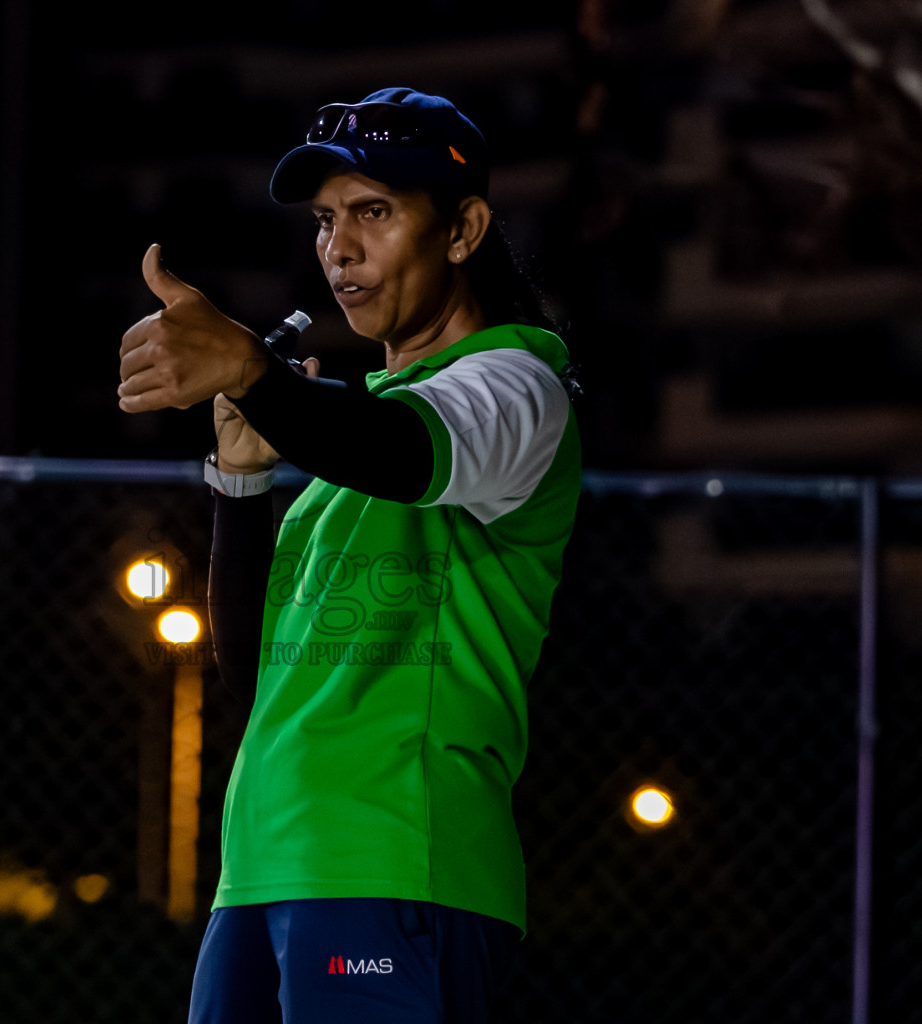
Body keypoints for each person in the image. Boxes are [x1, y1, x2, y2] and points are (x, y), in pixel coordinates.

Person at [117, 87, 581, 1024]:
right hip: (260, 872)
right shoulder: (342, 459)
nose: (339, 248)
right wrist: (242, 490)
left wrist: (254, 373)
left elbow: (408, 452)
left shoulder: (520, 384)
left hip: (401, 863)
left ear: (463, 231)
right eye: (327, 220)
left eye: (374, 212)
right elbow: (255, 681)